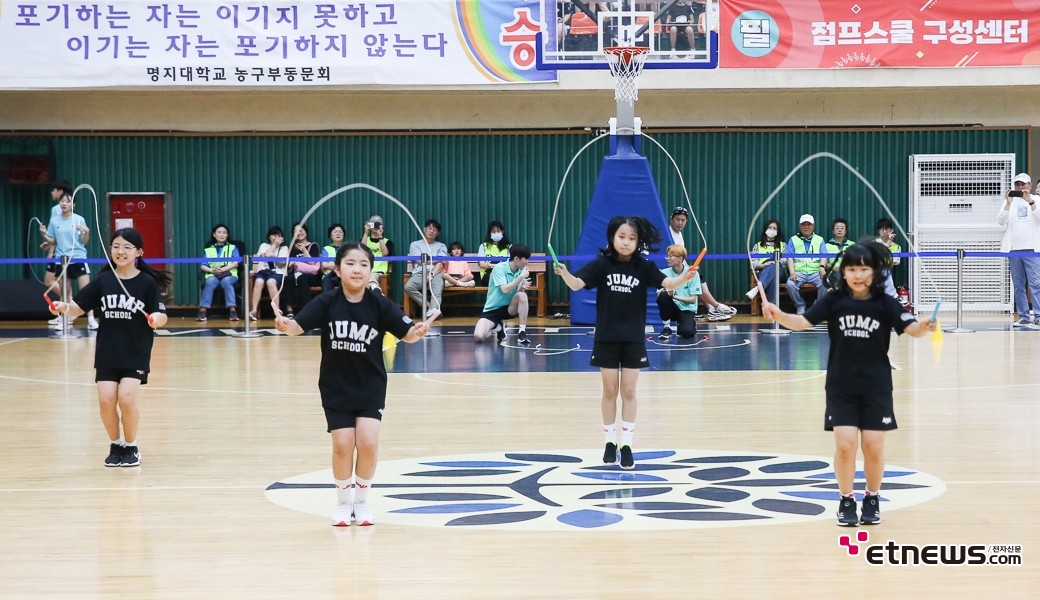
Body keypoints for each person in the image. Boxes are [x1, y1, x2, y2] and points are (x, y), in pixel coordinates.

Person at [761, 241, 935, 527]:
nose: (857, 275)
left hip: (876, 386)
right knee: (845, 446)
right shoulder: (833, 299)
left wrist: (924, 326)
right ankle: (846, 499)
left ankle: (872, 496)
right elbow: (803, 322)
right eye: (851, 269)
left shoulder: (885, 302)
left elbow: (911, 329)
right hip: (841, 385)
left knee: (874, 446)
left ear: (875, 271)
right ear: (843, 272)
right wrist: (779, 315)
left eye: (864, 269)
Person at [274, 242, 430, 526]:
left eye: (363, 264)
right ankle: (344, 504)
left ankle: (362, 501)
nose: (357, 269)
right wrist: (286, 325)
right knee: (342, 444)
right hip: (335, 386)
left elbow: (407, 334)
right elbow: (298, 327)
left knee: (368, 443)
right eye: (350, 263)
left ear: (371, 271)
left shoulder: (380, 304)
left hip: (370, 385)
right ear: (338, 269)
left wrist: (417, 332)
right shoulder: (327, 301)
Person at [553, 216, 691, 470]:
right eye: (621, 237)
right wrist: (564, 273)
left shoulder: (644, 267)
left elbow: (669, 283)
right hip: (606, 337)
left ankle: (626, 444)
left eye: (632, 238)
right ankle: (609, 440)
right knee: (609, 391)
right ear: (612, 237)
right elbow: (575, 285)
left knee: (628, 391)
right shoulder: (601, 264)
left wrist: (686, 277)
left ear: (638, 242)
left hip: (633, 338)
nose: (626, 242)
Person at [47, 228, 169, 467]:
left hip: (135, 352)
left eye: (126, 247)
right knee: (105, 401)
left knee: (126, 399)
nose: (120, 251)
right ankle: (116, 444)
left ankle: (132, 446)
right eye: (116, 246)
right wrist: (63, 306)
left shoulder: (147, 283)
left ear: (139, 252)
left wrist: (156, 319)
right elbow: (78, 307)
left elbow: (161, 313)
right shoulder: (103, 280)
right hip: (107, 352)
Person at [39, 190, 99, 330]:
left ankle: (90, 319)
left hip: (78, 257)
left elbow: (84, 241)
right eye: (62, 201)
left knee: (86, 290)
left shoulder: (79, 219)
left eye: (68, 201)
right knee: (65, 292)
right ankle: (64, 321)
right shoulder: (55, 221)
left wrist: (87, 231)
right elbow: (52, 240)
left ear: (74, 204)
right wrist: (43, 234)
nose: (64, 204)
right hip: (61, 259)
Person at [666, 206, 735, 321]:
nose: (680, 223)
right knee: (695, 279)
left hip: (680, 268)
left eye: (683, 220)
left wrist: (688, 268)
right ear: (671, 219)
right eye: (677, 219)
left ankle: (712, 309)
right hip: (673, 272)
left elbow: (681, 256)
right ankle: (717, 307)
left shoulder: (679, 235)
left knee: (697, 277)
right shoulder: (669, 233)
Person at [998, 173, 1040, 327]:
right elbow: (1001, 221)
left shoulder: (1037, 199)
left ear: (1029, 185)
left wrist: (1031, 202)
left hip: (1033, 249)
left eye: (1023, 184)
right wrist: (1008, 203)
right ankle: (1023, 315)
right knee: (1018, 285)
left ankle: (1038, 315)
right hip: (1014, 250)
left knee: (1036, 284)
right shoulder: (1009, 202)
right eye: (1018, 185)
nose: (1021, 187)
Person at [474, 244, 532, 345]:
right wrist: (520, 278)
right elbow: (505, 290)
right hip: (492, 309)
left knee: (522, 296)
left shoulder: (520, 271)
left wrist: (522, 287)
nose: (528, 262)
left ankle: (522, 331)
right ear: (516, 259)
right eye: (526, 259)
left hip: (509, 308)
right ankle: (498, 327)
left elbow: (517, 293)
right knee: (479, 337)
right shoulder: (499, 268)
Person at [404, 219, 448, 318]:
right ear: (424, 229)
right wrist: (436, 259)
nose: (432, 231)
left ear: (438, 233)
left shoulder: (441, 246)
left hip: (436, 271)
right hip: (420, 271)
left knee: (437, 288)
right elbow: (420, 261)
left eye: (435, 230)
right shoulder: (415, 244)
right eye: (430, 228)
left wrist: (432, 273)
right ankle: (431, 308)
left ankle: (433, 312)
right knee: (408, 287)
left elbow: (444, 261)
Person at [197, 224, 241, 322]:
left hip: (229, 274)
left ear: (227, 235)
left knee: (226, 282)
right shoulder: (209, 249)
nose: (222, 235)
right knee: (209, 282)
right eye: (219, 232)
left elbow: (236, 263)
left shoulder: (233, 248)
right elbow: (203, 265)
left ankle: (232, 311)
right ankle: (202, 311)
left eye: (224, 233)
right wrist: (211, 270)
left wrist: (224, 269)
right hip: (214, 274)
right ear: (214, 235)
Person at [784, 214, 827, 315]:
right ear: (800, 226)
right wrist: (792, 272)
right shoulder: (793, 240)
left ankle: (818, 306)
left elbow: (824, 255)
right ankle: (800, 305)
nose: (806, 227)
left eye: (809, 224)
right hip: (799, 273)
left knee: (825, 282)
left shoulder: (819, 239)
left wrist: (822, 268)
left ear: (813, 226)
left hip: (815, 272)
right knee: (790, 285)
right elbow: (790, 257)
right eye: (804, 224)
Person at [657, 244, 701, 340]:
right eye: (667, 256)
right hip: (672, 308)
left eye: (670, 256)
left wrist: (675, 296)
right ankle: (666, 327)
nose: (667, 258)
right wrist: (667, 291)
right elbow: (659, 294)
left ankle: (688, 324)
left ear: (680, 259)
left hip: (686, 308)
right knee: (663, 295)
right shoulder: (664, 273)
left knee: (687, 333)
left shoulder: (693, 274)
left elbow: (693, 300)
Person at [249, 226, 288, 320]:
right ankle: (253, 311)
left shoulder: (284, 248)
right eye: (274, 235)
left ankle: (277, 310)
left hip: (277, 273)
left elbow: (282, 263)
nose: (276, 238)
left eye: (279, 236)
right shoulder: (263, 246)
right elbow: (261, 258)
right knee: (258, 282)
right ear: (269, 236)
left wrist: (271, 256)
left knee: (271, 282)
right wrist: (273, 246)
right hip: (263, 272)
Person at [287, 222, 322, 318]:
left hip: (312, 275)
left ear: (306, 231)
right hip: (296, 273)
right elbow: (289, 265)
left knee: (303, 278)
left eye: (301, 230)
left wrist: (304, 250)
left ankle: (308, 309)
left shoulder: (314, 245)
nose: (299, 233)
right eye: (296, 231)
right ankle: (289, 309)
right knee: (288, 279)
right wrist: (291, 265)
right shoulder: (292, 248)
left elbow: (312, 263)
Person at [751, 219, 787, 304]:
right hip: (763, 271)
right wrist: (763, 265)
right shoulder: (757, 246)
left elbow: (785, 262)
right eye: (770, 227)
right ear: (765, 230)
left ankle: (758, 287)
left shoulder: (783, 245)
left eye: (774, 228)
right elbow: (752, 263)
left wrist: (774, 264)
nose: (772, 230)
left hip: (780, 271)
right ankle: (773, 307)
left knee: (774, 268)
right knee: (773, 277)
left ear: (778, 231)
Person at [361, 215, 393, 293]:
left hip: (380, 272)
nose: (375, 226)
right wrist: (365, 233)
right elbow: (361, 251)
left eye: (377, 224)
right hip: (365, 270)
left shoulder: (387, 242)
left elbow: (385, 253)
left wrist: (380, 237)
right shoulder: (365, 240)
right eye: (373, 224)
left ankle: (374, 289)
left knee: (369, 277)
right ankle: (375, 289)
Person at [874, 218, 902, 300]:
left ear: (891, 230)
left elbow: (890, 265)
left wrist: (889, 242)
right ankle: (893, 295)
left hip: (883, 274)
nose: (885, 232)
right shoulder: (873, 243)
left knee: (884, 269)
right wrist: (888, 242)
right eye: (882, 229)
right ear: (878, 231)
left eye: (886, 229)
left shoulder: (896, 247)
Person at [823, 217, 854, 290]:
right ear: (833, 231)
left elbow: (856, 261)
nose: (839, 230)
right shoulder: (826, 246)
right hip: (833, 273)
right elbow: (823, 262)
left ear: (846, 231)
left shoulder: (853, 245)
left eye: (842, 228)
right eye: (837, 228)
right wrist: (833, 268)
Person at [476, 220, 510, 286]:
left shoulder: (509, 247)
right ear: (490, 233)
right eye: (493, 231)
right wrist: (492, 266)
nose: (496, 233)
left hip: (503, 273)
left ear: (502, 232)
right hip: (488, 274)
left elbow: (510, 264)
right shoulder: (483, 246)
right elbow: (482, 264)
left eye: (498, 231)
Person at [321, 223, 346, 292]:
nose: (338, 233)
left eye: (340, 232)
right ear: (331, 236)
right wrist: (340, 266)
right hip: (329, 275)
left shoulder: (348, 248)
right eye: (335, 232)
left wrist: (332, 266)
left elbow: (349, 265)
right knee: (326, 284)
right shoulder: (326, 249)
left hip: (344, 275)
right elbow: (324, 265)